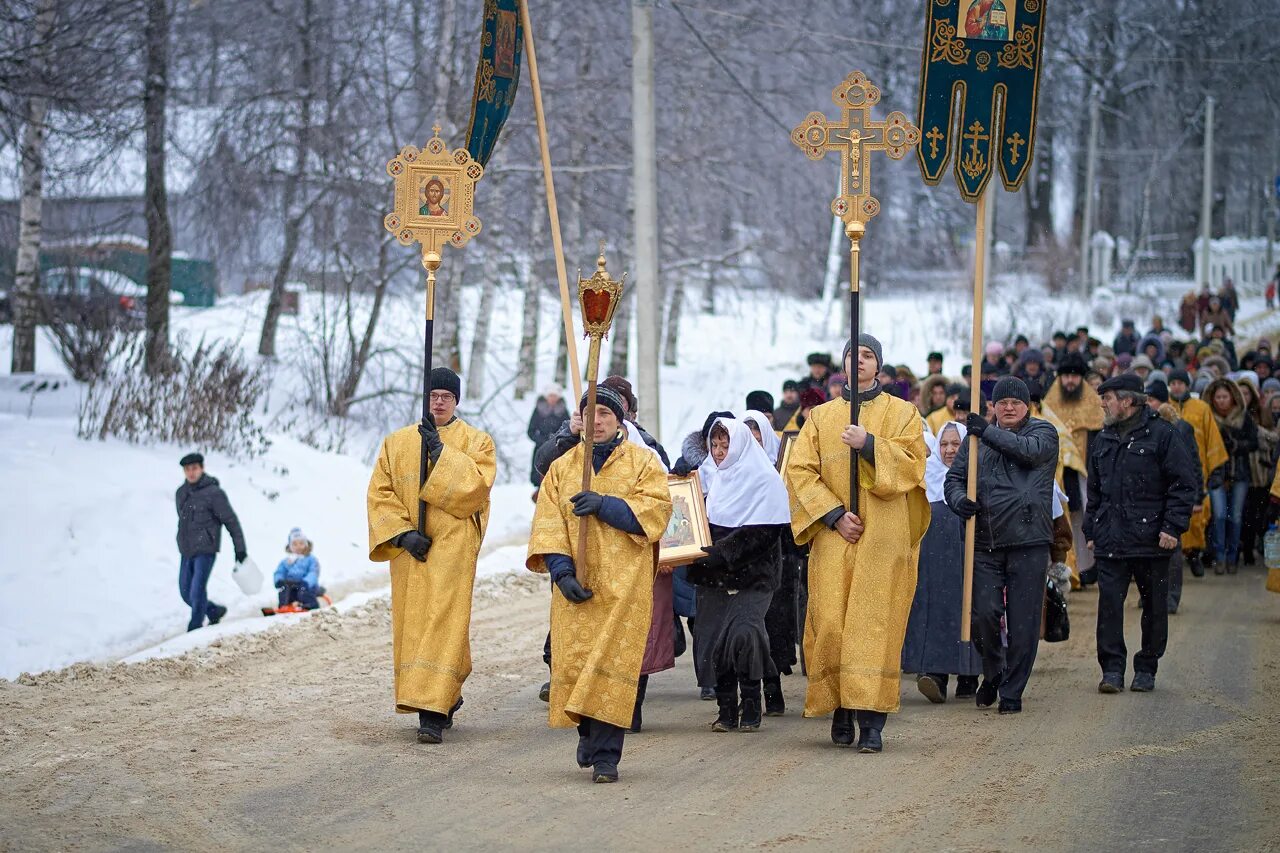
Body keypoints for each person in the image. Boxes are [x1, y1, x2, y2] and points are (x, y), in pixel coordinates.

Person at [784, 334, 929, 753]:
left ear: (878, 365)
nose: (860, 361)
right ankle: (840, 707)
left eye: (867, 355)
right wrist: (833, 514)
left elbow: (913, 466)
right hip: (835, 536)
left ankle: (872, 721)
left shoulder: (903, 413)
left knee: (873, 625)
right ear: (843, 365)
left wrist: (870, 446)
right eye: (853, 355)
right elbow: (799, 471)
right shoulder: (820, 418)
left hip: (883, 536)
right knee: (831, 622)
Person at [526, 387, 672, 783]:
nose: (597, 421)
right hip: (576, 585)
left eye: (605, 414)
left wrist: (606, 506)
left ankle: (607, 757)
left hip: (624, 589)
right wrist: (561, 572)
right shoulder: (563, 468)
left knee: (612, 666)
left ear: (620, 419)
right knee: (576, 663)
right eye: (590, 413)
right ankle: (589, 735)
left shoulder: (643, 462)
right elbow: (548, 524)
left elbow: (657, 512)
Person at [366, 367, 497, 744]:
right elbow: (379, 493)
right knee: (415, 624)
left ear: (457, 401)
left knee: (445, 620)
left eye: (446, 397)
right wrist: (404, 534)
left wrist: (441, 453)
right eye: (433, 395)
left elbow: (477, 490)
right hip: (412, 552)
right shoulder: (396, 442)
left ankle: (433, 713)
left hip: (453, 548)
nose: (439, 402)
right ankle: (444, 690)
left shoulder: (477, 442)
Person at [944, 376, 1058, 714]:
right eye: (1002, 402)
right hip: (985, 541)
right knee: (983, 615)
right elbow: (954, 479)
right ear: (993, 405)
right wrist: (959, 500)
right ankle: (993, 671)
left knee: (1023, 623)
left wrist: (986, 432)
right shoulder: (975, 439)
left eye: (1015, 403)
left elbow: (1027, 452)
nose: (1008, 408)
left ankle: (1012, 691)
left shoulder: (1043, 432)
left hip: (1029, 541)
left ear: (1027, 406)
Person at [1087, 374, 1197, 694]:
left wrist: (1172, 527)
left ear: (1127, 401)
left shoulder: (1164, 435)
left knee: (1154, 607)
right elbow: (1095, 491)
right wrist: (1091, 528)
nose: (1103, 404)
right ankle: (1112, 669)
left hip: (1152, 539)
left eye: (1107, 398)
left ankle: (1147, 667)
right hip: (1111, 538)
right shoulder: (1103, 438)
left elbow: (1183, 485)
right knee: (1109, 606)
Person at [687, 418, 791, 731]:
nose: (719, 452)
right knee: (716, 642)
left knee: (744, 636)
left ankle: (751, 702)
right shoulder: (712, 478)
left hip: (753, 577)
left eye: (725, 445)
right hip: (714, 578)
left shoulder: (766, 480)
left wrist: (721, 553)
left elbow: (765, 532)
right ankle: (727, 710)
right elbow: (694, 522)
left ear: (741, 445)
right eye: (714, 445)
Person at [902, 419, 982, 703]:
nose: (950, 450)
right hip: (934, 562)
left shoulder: (977, 475)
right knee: (935, 615)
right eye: (944, 444)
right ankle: (935, 675)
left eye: (956, 444)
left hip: (970, 560)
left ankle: (969, 674)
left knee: (970, 613)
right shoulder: (926, 474)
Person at [1043, 353, 1104, 584]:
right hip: (1059, 473)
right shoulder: (1050, 404)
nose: (1070, 380)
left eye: (1075, 376)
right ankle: (1069, 570)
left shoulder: (1093, 405)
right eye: (1066, 376)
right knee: (1064, 522)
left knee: (1085, 519)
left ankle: (1087, 569)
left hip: (1085, 473)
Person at [1146, 382, 1203, 614]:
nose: (1148, 404)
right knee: (1149, 548)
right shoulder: (1145, 426)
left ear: (1162, 401)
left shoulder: (1181, 427)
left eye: (1152, 399)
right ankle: (1150, 594)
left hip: (1173, 494)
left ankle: (1171, 596)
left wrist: (1197, 497)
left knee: (1172, 547)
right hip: (1151, 495)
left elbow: (1193, 464)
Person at [175, 452, 246, 632]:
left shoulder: (214, 493)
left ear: (202, 468)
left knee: (197, 591)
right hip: (186, 550)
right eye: (187, 469)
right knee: (186, 592)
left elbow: (231, 521)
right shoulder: (181, 493)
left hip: (206, 549)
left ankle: (195, 629)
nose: (191, 472)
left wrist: (240, 549)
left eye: (194, 468)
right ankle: (213, 610)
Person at [1167, 369, 1228, 575]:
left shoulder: (1202, 408)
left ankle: (1194, 554)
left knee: (1198, 516)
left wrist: (1215, 471)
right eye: (1173, 383)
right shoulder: (1165, 408)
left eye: (1180, 383)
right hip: (1172, 472)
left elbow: (1213, 439)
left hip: (1197, 471)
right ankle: (1178, 556)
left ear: (1187, 385)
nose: (1176, 387)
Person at [1205, 377, 1258, 574]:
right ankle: (1220, 557)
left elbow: (1254, 443)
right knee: (1219, 515)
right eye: (1218, 397)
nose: (1221, 400)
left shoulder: (1243, 417)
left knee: (1235, 517)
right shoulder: (1208, 417)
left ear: (1233, 397)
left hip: (1240, 473)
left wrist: (1236, 445)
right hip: (1216, 474)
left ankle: (1232, 557)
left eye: (1224, 397)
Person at [527, 385, 568, 487]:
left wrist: (557, 440)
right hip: (540, 448)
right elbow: (531, 431)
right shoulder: (538, 410)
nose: (552, 398)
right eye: (550, 396)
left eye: (555, 396)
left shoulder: (563, 410)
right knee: (539, 479)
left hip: (558, 449)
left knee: (556, 479)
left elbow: (568, 428)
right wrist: (542, 441)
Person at [273, 527, 323, 610]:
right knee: (284, 590)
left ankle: (311, 605)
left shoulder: (311, 559)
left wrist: (306, 582)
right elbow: (280, 572)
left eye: (301, 543)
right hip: (292, 585)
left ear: (306, 544)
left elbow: (313, 572)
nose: (298, 546)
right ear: (290, 546)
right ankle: (284, 606)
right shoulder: (286, 561)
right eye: (295, 544)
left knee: (303, 591)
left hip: (307, 585)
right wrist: (278, 580)